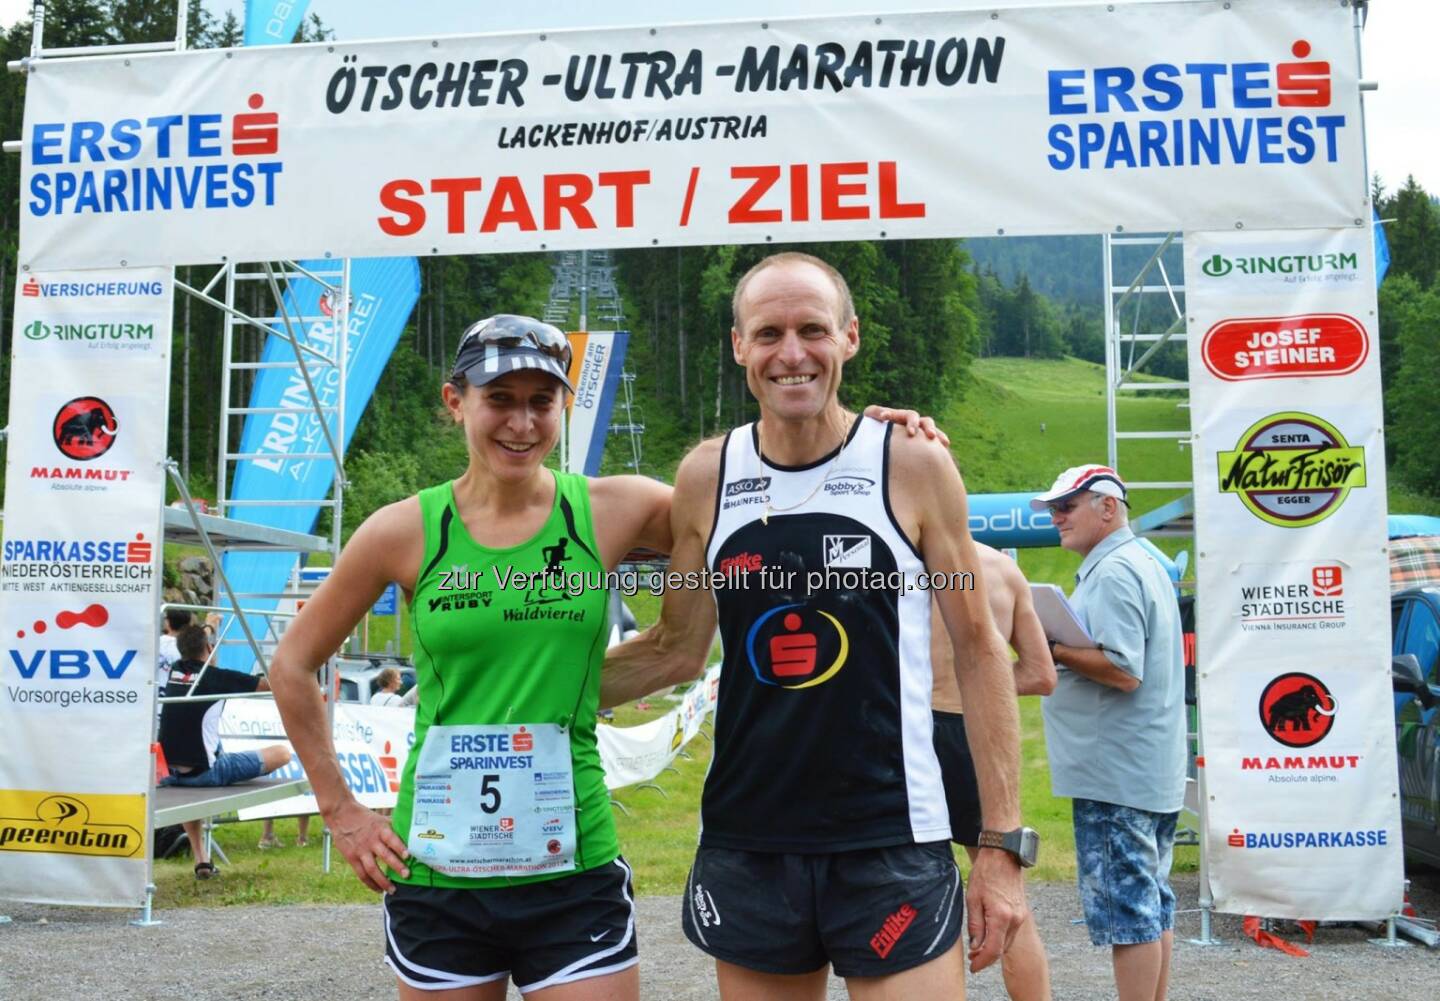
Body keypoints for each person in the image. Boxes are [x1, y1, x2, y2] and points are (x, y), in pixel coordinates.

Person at [601, 252, 1030, 1001]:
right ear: (739, 345)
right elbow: (673, 648)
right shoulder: (708, 474)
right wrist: (519, 689)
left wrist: (1000, 846)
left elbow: (979, 648)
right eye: (769, 333)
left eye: (812, 330)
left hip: (890, 838)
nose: (791, 353)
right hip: (751, 839)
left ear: (850, 338)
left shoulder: (912, 464)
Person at [267, 314, 677, 1001]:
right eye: (500, 399)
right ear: (456, 402)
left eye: (541, 402)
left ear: (564, 407)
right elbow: (291, 664)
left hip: (571, 871)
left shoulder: (613, 508)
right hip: (439, 873)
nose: (521, 423)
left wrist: (873, 439)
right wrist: (340, 809)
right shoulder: (402, 529)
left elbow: (746, 499)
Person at [1031, 465, 1185, 1001]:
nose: (1056, 518)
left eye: (1066, 506)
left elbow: (1123, 670)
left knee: (1130, 912)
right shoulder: (1139, 561)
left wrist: (1050, 648)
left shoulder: (1117, 570)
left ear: (1107, 507)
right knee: (1151, 902)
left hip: (1115, 771)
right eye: (1053, 509)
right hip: (1143, 765)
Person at [930, 543, 1057, 1001]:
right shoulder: (1005, 570)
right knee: (1007, 895)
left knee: (909, 891)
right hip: (974, 732)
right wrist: (984, 687)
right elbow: (1042, 674)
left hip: (908, 730)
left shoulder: (903, 559)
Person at [158, 625, 292, 878]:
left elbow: (192, 643)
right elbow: (269, 685)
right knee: (282, 753)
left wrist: (208, 627)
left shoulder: (174, 671)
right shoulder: (215, 677)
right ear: (209, 649)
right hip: (207, 772)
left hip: (171, 771)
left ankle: (202, 860)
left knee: (208, 749)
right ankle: (203, 857)